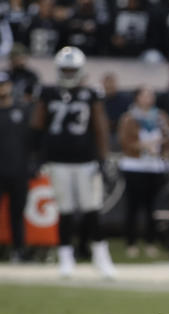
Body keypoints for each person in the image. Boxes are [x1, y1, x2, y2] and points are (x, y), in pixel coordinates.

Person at [31, 46, 117, 279]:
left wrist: (102, 158)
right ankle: (65, 258)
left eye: (72, 70)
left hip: (86, 161)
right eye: (65, 70)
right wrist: (37, 157)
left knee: (92, 210)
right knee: (65, 211)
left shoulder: (91, 93)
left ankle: (101, 258)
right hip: (58, 161)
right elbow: (38, 126)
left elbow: (100, 127)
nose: (68, 74)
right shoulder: (47, 93)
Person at [117, 86, 169, 258]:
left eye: (151, 95)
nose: (148, 98)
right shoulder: (129, 117)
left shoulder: (161, 116)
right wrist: (142, 146)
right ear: (137, 98)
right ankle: (131, 242)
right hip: (134, 165)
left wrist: (162, 148)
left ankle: (150, 241)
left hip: (155, 166)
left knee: (151, 206)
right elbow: (124, 140)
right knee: (133, 206)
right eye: (145, 95)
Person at [0, 71, 31, 262]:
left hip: (19, 171)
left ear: (10, 86)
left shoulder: (23, 111)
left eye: (4, 84)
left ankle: (19, 250)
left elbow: (32, 141)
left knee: (17, 214)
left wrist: (33, 164)